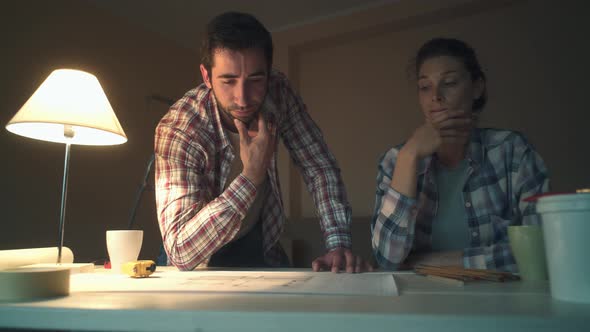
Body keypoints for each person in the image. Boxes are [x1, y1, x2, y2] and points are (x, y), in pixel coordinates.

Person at [155, 11, 371, 273]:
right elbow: (180, 250)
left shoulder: (278, 92)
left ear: (269, 73)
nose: (243, 98)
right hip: (199, 257)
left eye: (256, 80)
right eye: (228, 80)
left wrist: (338, 244)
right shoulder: (180, 129)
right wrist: (250, 177)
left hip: (261, 240)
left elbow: (319, 166)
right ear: (206, 76)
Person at [371, 37, 549, 272]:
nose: (436, 96)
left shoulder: (512, 151)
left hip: (502, 301)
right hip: (419, 302)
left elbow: (541, 250)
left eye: (450, 82)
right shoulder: (396, 160)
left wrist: (431, 262)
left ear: (477, 88)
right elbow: (387, 259)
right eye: (425, 87)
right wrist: (409, 155)